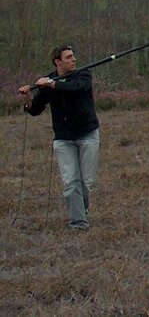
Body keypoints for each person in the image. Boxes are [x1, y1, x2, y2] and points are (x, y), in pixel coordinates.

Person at [18, 45, 100, 230]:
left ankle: (81, 212)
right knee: (71, 181)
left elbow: (76, 88)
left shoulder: (83, 75)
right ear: (58, 61)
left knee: (86, 182)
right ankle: (78, 223)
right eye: (69, 57)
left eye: (73, 56)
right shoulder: (48, 82)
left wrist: (52, 84)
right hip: (63, 139)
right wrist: (27, 98)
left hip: (88, 135)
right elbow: (35, 110)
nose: (74, 59)